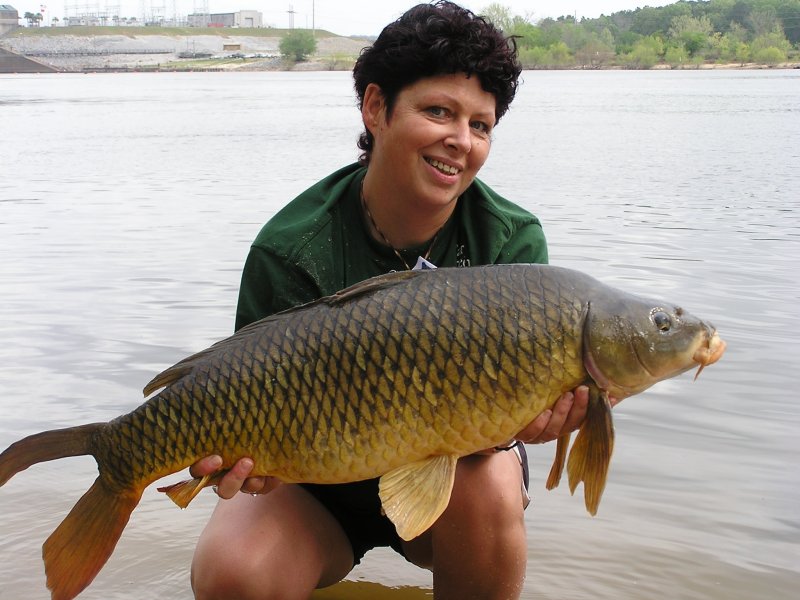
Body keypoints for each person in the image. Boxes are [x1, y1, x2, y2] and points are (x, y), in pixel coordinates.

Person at [190, 3, 604, 599]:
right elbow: (247, 400)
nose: (460, 141)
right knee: (233, 571)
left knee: (490, 485)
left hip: (449, 486)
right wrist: (243, 463)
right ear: (376, 107)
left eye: (481, 125)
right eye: (438, 111)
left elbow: (503, 427)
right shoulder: (291, 250)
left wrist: (528, 419)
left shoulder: (511, 241)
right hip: (313, 492)